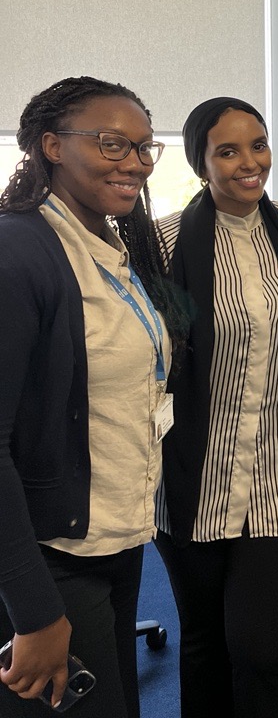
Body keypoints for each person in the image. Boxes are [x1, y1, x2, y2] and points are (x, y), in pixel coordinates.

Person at [0, 76, 183, 717]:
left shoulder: (106, 243)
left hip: (115, 535)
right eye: (111, 144)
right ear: (51, 145)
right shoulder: (19, 251)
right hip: (55, 557)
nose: (133, 162)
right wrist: (35, 612)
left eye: (142, 148)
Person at [154, 96, 278, 718]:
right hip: (192, 472)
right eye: (227, 151)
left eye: (258, 145)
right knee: (203, 643)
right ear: (201, 162)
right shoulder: (165, 240)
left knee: (260, 648)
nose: (248, 163)